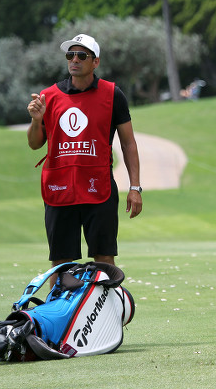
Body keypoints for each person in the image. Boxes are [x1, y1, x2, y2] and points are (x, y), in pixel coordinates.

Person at [27, 34, 142, 288]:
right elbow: (35, 143)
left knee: (104, 259)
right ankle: (59, 321)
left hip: (98, 188)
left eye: (82, 55)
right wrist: (37, 120)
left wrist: (135, 187)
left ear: (95, 62)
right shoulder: (48, 96)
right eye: (70, 55)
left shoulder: (113, 94)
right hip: (59, 188)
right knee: (60, 262)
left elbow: (128, 143)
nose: (74, 60)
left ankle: (109, 316)